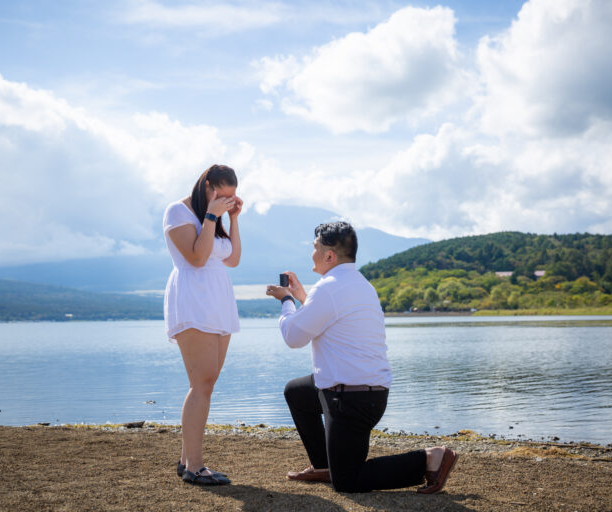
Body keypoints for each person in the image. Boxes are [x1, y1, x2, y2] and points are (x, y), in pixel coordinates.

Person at [265, 221, 458, 494]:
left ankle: (430, 459)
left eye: (315, 247)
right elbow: (326, 318)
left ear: (329, 255)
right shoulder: (359, 284)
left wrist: (286, 301)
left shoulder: (328, 288)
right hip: (365, 393)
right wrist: (300, 297)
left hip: (349, 400)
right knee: (296, 393)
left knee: (349, 482)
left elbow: (293, 337)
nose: (312, 253)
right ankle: (327, 465)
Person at [163, 164, 243, 486]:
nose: (226, 202)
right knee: (202, 382)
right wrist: (211, 215)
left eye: (232, 198)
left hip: (219, 302)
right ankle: (195, 466)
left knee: (207, 382)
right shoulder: (178, 212)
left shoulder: (219, 219)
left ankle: (186, 461)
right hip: (193, 300)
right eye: (222, 196)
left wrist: (232, 219)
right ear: (207, 187)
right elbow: (196, 257)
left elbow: (233, 258)